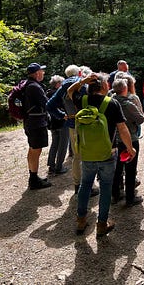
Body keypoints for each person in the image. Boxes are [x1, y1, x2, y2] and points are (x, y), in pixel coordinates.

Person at [68, 72, 136, 237]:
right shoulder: (111, 103)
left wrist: (82, 81)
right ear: (104, 86)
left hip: (87, 152)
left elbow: (70, 91)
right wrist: (130, 148)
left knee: (85, 185)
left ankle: (81, 220)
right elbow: (122, 128)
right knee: (105, 188)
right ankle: (101, 224)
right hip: (107, 153)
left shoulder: (82, 100)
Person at [46, 65, 99, 196]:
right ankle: (89, 186)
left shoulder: (63, 86)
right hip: (87, 124)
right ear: (80, 73)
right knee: (89, 155)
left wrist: (62, 115)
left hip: (72, 124)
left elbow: (49, 105)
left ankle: (78, 185)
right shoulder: (85, 83)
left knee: (77, 156)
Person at [111, 78, 144, 206]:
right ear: (125, 89)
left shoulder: (110, 101)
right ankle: (130, 198)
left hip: (114, 140)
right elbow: (141, 119)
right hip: (129, 139)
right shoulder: (128, 104)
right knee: (130, 170)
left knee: (116, 169)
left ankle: (115, 195)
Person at [23, 63, 51, 190]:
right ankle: (34, 180)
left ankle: (33, 176)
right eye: (42, 71)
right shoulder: (34, 87)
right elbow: (47, 104)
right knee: (36, 150)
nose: (43, 73)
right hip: (36, 123)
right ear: (36, 73)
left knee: (32, 149)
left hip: (30, 121)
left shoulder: (27, 84)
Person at [46, 74, 69, 175]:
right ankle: (59, 167)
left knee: (54, 144)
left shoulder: (48, 93)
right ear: (58, 84)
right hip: (62, 122)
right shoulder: (60, 95)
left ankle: (51, 165)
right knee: (63, 145)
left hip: (52, 124)